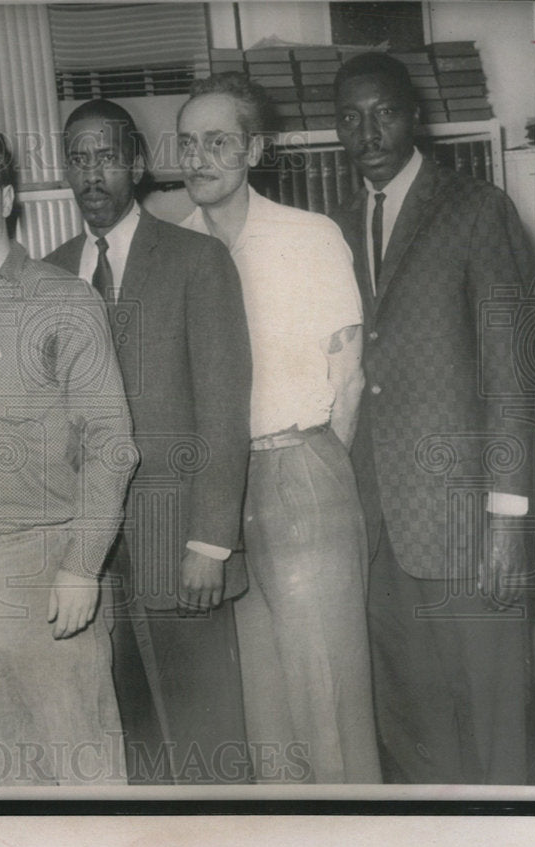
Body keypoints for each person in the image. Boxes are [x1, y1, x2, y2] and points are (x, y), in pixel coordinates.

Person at [332, 52, 535, 784]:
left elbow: (513, 377)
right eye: (350, 116)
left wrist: (510, 519)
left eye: (383, 111)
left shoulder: (476, 209)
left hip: (466, 521)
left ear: (413, 115)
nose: (368, 130)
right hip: (375, 526)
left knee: (493, 722)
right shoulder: (332, 228)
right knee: (412, 729)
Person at [177, 73, 381, 783]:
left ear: (255, 149)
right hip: (222, 491)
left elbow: (348, 379)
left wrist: (311, 468)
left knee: (327, 696)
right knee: (264, 705)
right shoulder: (174, 249)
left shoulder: (308, 236)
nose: (200, 158)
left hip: (303, 471)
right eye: (188, 143)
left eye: (219, 142)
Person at [45, 99, 253, 785]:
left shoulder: (196, 258)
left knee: (206, 740)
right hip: (93, 561)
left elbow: (224, 407)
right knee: (133, 742)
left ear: (136, 163)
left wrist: (210, 540)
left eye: (107, 155)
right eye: (79, 157)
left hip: (179, 545)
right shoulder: (46, 275)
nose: (93, 171)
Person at [0, 124, 135, 785]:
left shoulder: (65, 299)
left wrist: (81, 567)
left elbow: (112, 444)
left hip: (53, 566)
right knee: (8, 781)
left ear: (7, 197)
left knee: (85, 774)